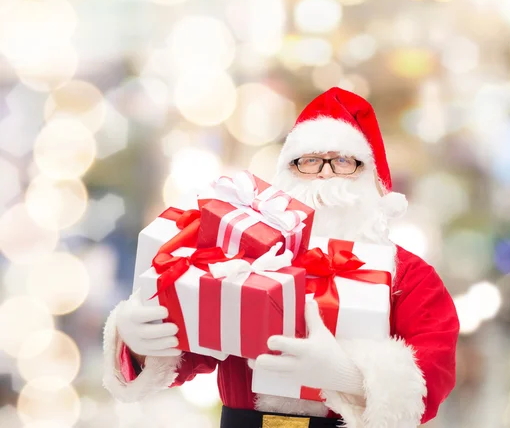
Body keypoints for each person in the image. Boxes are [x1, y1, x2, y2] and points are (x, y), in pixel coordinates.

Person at [103, 87, 460, 428]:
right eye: (309, 161)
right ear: (286, 174)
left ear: (372, 178)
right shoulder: (243, 257)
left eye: (343, 162)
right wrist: (138, 342)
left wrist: (347, 375)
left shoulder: (409, 274)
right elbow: (193, 342)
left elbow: (433, 371)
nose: (325, 174)